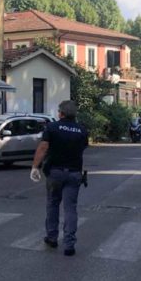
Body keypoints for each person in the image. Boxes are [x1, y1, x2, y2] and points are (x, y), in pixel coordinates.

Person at [30, 100, 88, 257]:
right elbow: (83, 147)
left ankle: (52, 237)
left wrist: (35, 167)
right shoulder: (82, 130)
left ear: (61, 113)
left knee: (53, 204)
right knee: (70, 208)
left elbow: (43, 147)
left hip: (55, 172)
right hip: (74, 173)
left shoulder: (52, 127)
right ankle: (69, 245)